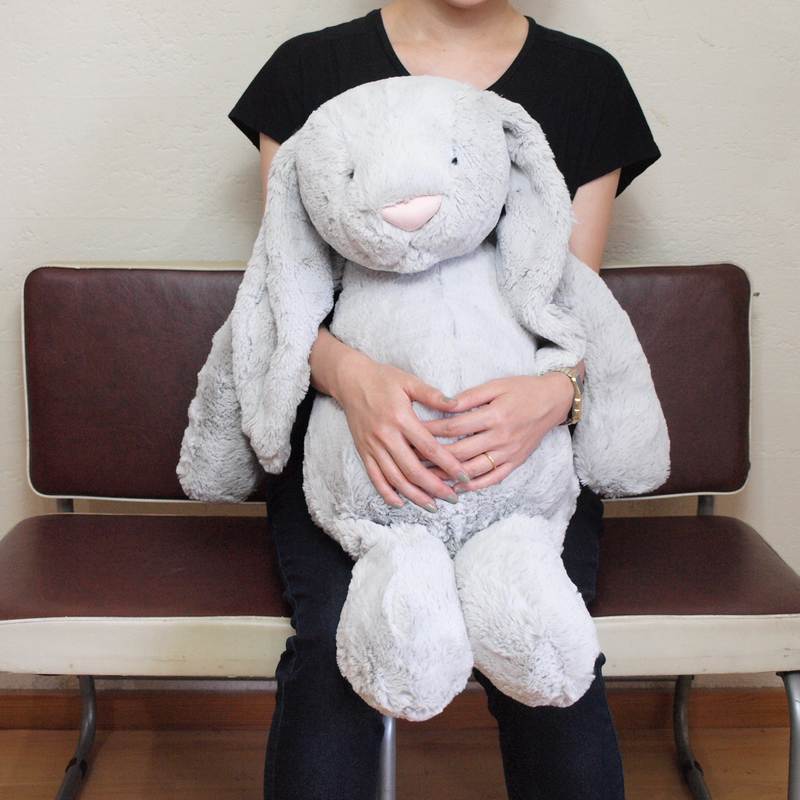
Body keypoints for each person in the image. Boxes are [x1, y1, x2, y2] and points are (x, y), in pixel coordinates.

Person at [228, 2, 661, 798]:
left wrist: (554, 395)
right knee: (334, 648)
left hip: (521, 465)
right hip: (355, 461)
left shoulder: (587, 83)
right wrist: (351, 379)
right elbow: (284, 292)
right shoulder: (308, 71)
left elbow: (569, 305)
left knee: (546, 658)